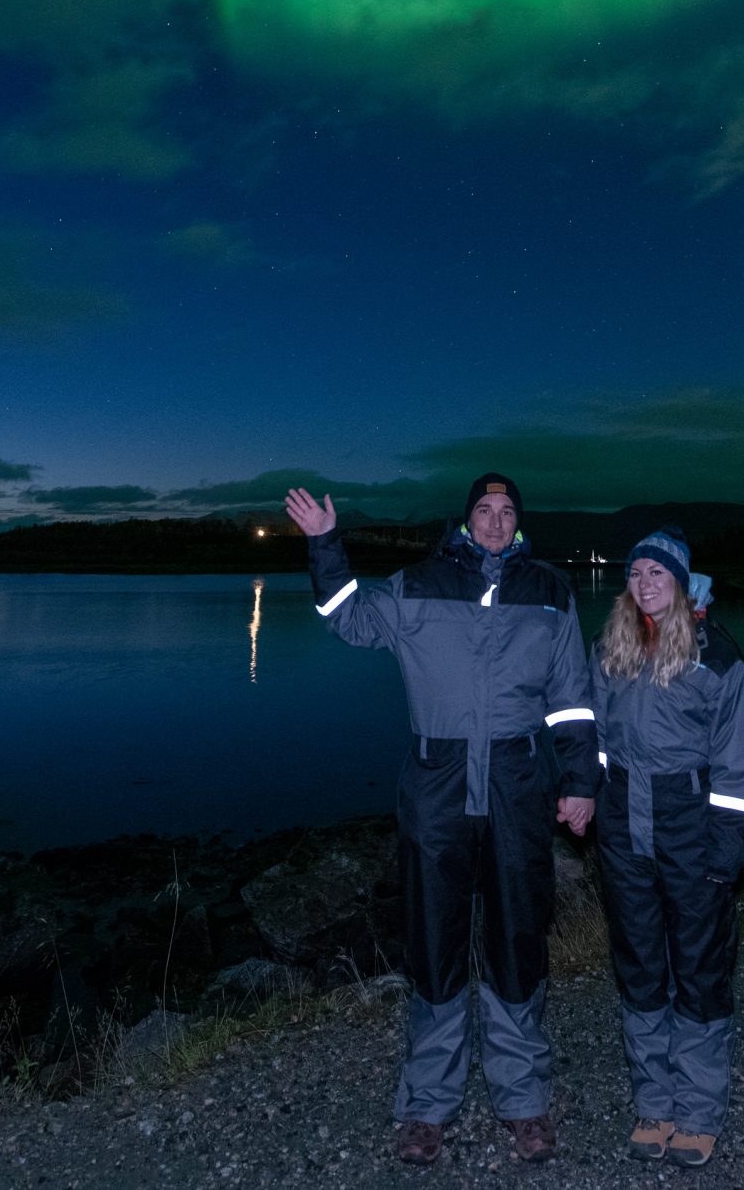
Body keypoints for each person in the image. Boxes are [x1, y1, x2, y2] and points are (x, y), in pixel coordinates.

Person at [284, 474, 598, 1167]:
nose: (494, 520)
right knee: (434, 946)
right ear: (465, 520)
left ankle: (523, 1101)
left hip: (518, 784)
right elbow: (348, 616)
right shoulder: (418, 582)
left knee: (518, 944)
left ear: (519, 521)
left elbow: (573, 697)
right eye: (483, 510)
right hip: (437, 786)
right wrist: (324, 544)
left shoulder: (549, 590)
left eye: (506, 510)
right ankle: (428, 1105)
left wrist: (580, 780)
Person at [590, 529, 744, 1169]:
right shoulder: (612, 647)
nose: (645, 582)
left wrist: (727, 845)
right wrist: (593, 802)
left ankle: (699, 1110)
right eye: (636, 573)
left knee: (699, 965)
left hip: (690, 818)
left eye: (658, 572)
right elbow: (598, 738)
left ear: (682, 583)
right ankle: (656, 1103)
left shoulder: (718, 658)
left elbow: (736, 767)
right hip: (624, 822)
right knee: (638, 963)